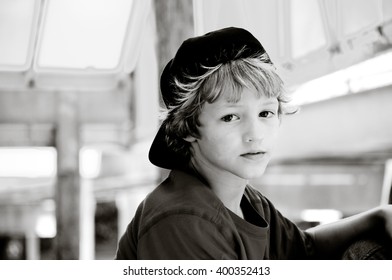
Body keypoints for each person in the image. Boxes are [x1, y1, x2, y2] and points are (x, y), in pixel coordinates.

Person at [115, 27, 392, 259]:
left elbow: (303, 250)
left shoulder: (247, 200)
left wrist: (378, 217)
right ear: (185, 127)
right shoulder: (183, 219)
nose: (255, 134)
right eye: (230, 117)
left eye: (265, 113)